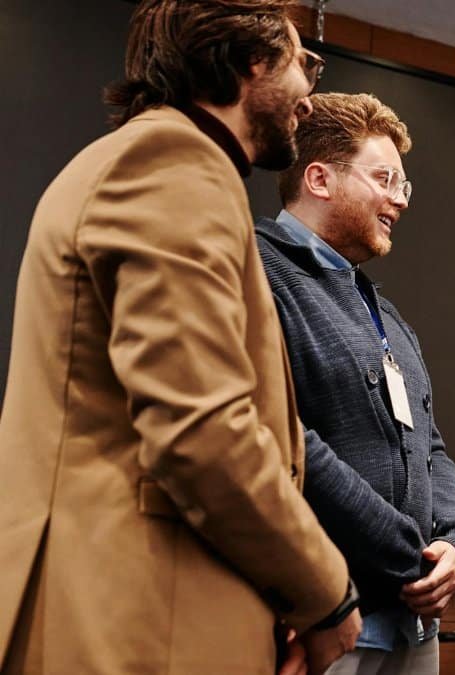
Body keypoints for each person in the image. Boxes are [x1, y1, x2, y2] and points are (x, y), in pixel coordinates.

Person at [0, 1, 363, 674]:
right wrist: (326, 594)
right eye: (303, 63)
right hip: (130, 622)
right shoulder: (174, 162)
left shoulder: (157, 161)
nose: (309, 98)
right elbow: (203, 432)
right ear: (249, 61)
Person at [258, 92, 455, 675]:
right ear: (320, 179)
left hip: (414, 625)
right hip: (322, 620)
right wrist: (408, 554)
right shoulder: (255, 271)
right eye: (385, 179)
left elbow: (431, 446)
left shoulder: (387, 315)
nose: (400, 199)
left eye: (403, 185)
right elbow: (281, 438)